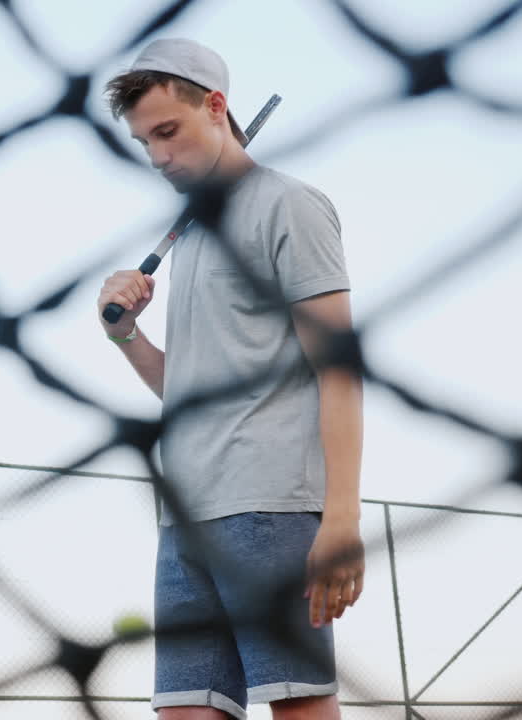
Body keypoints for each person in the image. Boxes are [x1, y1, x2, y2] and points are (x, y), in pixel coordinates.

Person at [96, 38, 365, 720]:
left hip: (269, 509)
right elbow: (187, 391)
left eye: (168, 131)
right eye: (144, 142)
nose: (158, 156)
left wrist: (342, 517)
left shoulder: (289, 205)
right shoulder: (192, 237)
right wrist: (126, 336)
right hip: (186, 518)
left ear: (216, 106)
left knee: (298, 709)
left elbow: (338, 371)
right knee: (184, 712)